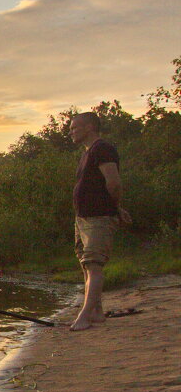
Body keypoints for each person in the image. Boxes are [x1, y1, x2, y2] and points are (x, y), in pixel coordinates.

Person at [68, 111, 131, 331]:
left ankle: (84, 316)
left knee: (94, 264)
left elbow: (113, 183)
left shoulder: (103, 148)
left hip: (99, 216)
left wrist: (115, 208)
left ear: (89, 127)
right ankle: (96, 312)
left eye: (74, 128)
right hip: (83, 218)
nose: (71, 132)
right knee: (86, 265)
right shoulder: (87, 153)